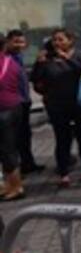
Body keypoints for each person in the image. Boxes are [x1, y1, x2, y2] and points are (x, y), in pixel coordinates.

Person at [31, 28, 81, 187]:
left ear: (70, 40)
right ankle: (64, 172)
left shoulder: (79, 55)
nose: (57, 43)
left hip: (79, 103)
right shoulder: (48, 59)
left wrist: (68, 59)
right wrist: (39, 64)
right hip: (57, 105)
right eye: (55, 40)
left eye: (61, 39)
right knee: (62, 138)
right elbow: (35, 78)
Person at [5, 30, 44, 174]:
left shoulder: (19, 57)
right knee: (13, 137)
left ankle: (28, 162)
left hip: (24, 100)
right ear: (8, 42)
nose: (19, 45)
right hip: (12, 103)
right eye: (16, 41)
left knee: (25, 134)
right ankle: (15, 168)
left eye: (22, 42)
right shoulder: (6, 58)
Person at [0, 33, 26, 200]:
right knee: (9, 148)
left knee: (7, 150)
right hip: (15, 107)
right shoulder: (11, 61)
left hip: (3, 111)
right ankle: (10, 184)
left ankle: (16, 187)